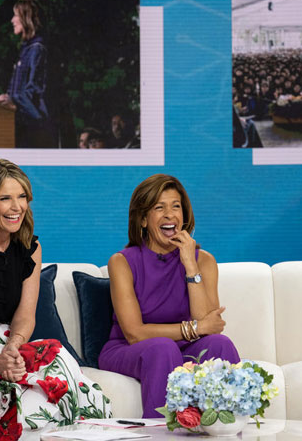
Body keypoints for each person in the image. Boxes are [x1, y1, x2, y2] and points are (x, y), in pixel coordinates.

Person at [0, 159, 111, 440]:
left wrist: (13, 346)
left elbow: (25, 316)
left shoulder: (30, 249)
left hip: (9, 342)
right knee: (27, 389)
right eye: (5, 198)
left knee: (60, 360)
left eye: (22, 196)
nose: (17, 207)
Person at [98, 174, 240, 418]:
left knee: (220, 344)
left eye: (176, 206)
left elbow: (210, 325)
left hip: (181, 347)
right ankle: (160, 434)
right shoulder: (122, 262)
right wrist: (194, 328)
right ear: (142, 219)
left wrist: (189, 265)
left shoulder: (203, 260)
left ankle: (226, 429)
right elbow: (134, 333)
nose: (169, 214)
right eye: (158, 208)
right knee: (163, 349)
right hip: (129, 350)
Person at [0, 0, 59, 148]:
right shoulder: (26, 51)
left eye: (15, 15)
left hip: (36, 130)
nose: (12, 20)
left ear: (26, 17)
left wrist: (14, 102)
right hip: (22, 127)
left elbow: (37, 90)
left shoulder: (38, 49)